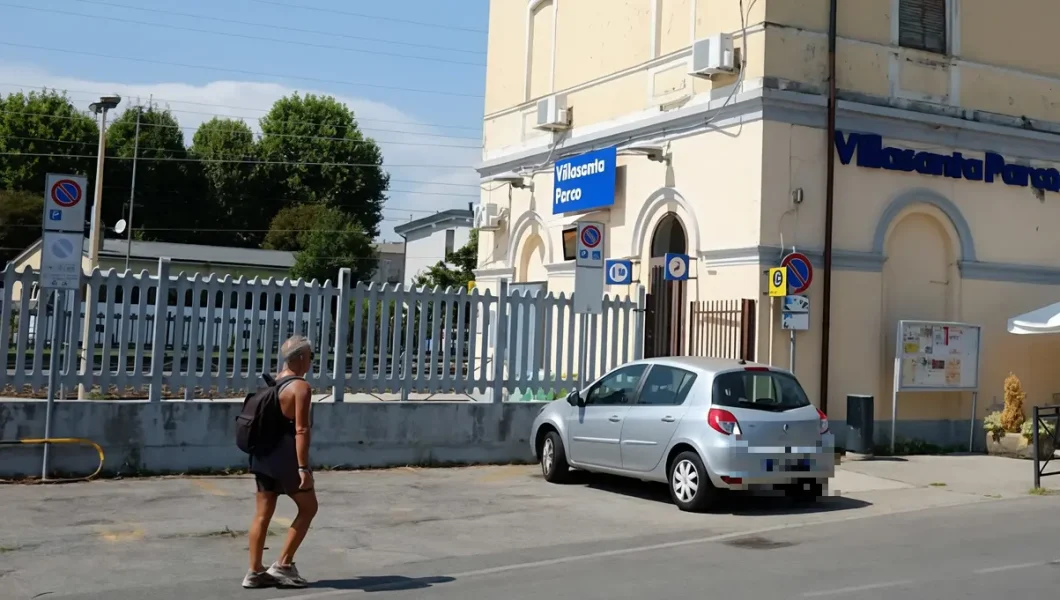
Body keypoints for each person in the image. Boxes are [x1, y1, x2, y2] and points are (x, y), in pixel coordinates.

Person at [243, 335, 319, 589]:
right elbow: (301, 430)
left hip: (263, 457)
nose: (311, 362)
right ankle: (284, 565)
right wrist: (303, 467)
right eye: (311, 357)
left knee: (262, 514)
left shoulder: (274, 383)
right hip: (286, 460)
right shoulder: (300, 387)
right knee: (309, 508)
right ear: (301, 357)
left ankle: (255, 571)